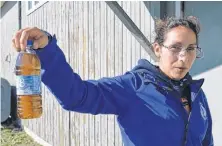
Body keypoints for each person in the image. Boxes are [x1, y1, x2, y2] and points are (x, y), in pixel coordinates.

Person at [12, 16, 214, 146]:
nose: (183, 57)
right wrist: (47, 50)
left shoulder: (196, 93)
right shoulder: (132, 87)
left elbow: (206, 141)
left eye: (190, 49)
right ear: (158, 49)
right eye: (175, 47)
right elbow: (76, 95)